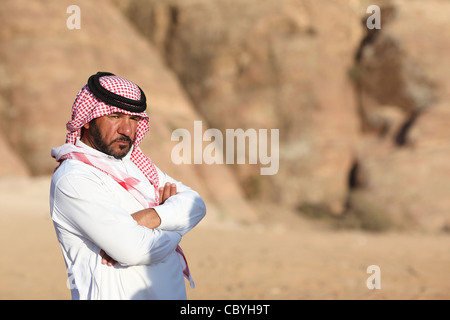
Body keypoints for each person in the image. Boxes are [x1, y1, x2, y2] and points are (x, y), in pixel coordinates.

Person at [49, 72, 206, 300]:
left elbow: (196, 205)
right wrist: (174, 226)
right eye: (115, 116)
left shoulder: (136, 165)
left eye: (133, 119)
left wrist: (147, 218)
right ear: (88, 119)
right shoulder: (74, 178)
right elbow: (135, 249)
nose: (127, 129)